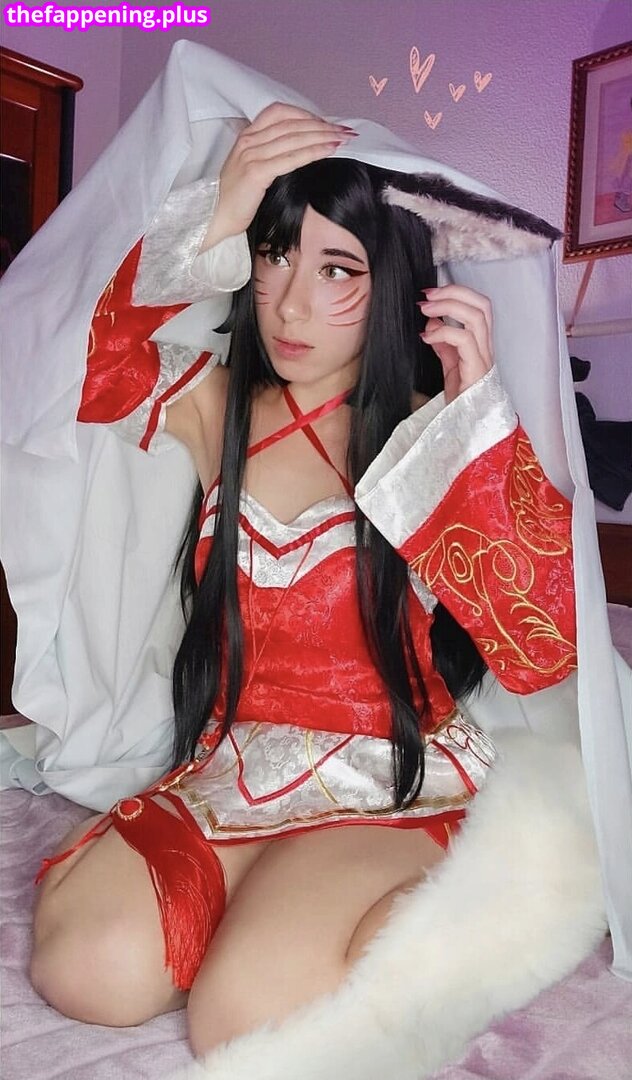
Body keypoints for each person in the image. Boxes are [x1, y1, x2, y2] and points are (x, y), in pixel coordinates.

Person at [27, 102, 577, 1057]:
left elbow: (546, 645)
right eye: (275, 254)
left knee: (241, 1022)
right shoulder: (216, 406)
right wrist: (223, 205)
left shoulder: (432, 429)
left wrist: (477, 429)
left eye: (337, 271)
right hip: (233, 767)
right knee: (86, 970)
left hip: (384, 777)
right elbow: (78, 362)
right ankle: (269, 901)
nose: (287, 306)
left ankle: (455, 902)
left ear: (394, 279)